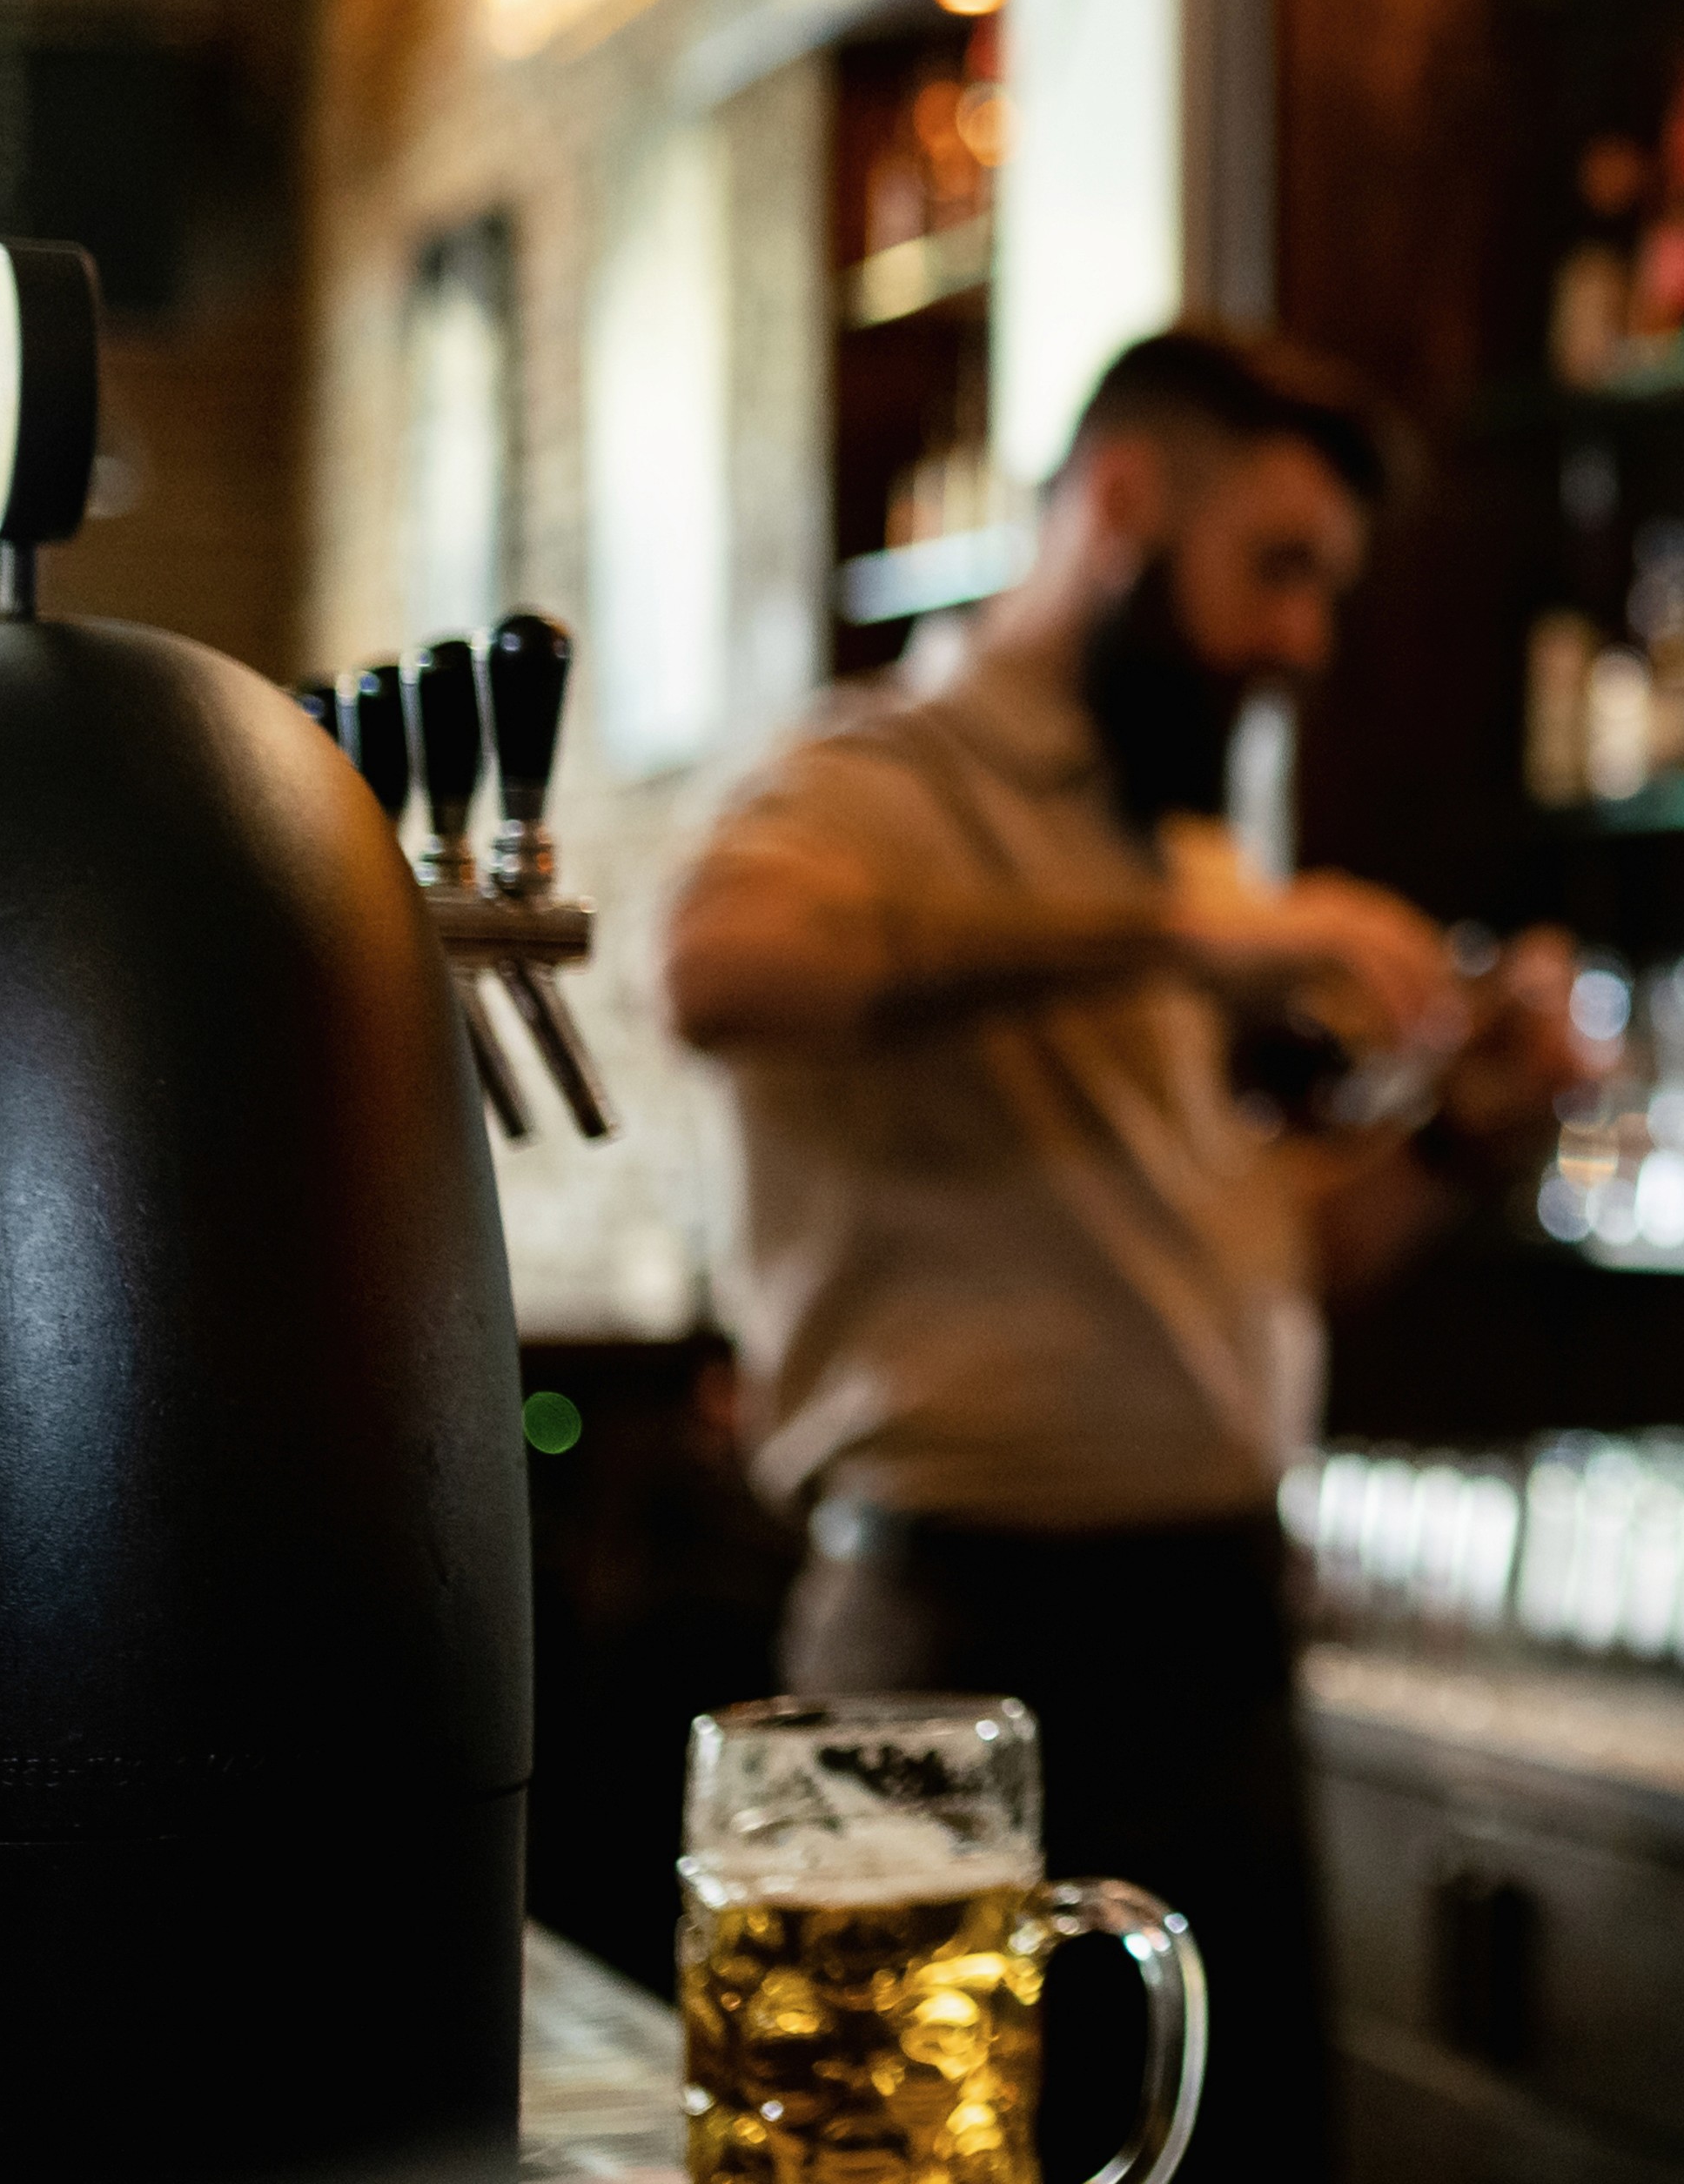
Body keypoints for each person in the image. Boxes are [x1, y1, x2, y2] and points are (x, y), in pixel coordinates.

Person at [663, 324, 1578, 2173]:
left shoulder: (1163, 845)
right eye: (1277, 568)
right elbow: (719, 966)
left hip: (1210, 1634)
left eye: (1327, 590)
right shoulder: (874, 779)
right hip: (955, 1641)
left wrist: (1471, 1125)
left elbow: (1254, 1253)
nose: (1304, 639)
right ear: (1123, 504)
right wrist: (1176, 941)